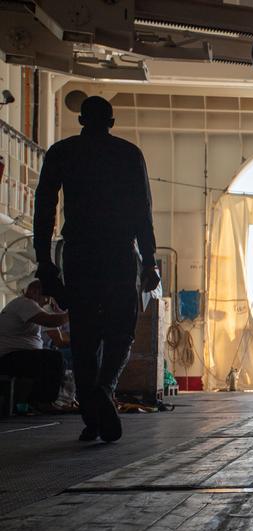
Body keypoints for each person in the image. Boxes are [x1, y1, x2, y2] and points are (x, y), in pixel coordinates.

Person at [33, 95, 160, 442]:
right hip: (119, 253)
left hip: (79, 252)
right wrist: (148, 261)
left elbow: (43, 209)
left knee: (86, 336)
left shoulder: (61, 152)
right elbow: (142, 213)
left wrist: (44, 261)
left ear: (81, 121)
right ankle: (105, 388)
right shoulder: (128, 154)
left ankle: (92, 416)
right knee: (122, 331)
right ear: (111, 122)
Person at [0, 281, 69, 407]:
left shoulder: (29, 306)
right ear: (34, 292)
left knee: (59, 361)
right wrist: (72, 313)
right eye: (47, 297)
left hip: (19, 355)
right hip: (9, 356)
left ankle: (38, 400)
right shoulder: (25, 303)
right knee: (54, 359)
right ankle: (42, 402)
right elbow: (51, 321)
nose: (48, 301)